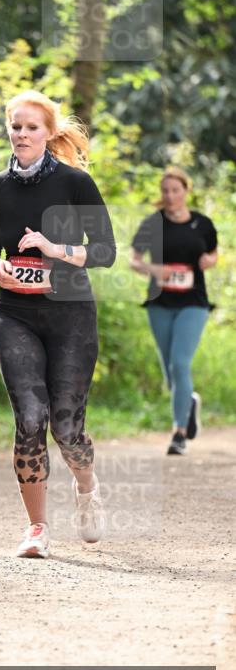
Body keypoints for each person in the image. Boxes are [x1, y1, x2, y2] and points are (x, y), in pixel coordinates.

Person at [0, 90, 116, 559]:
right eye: (15, 126)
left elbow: (105, 252)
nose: (20, 134)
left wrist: (55, 250)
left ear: (48, 133)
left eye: (30, 127)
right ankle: (37, 527)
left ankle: (86, 487)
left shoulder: (76, 184)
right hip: (14, 312)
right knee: (30, 419)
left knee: (67, 427)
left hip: (71, 315)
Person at [130, 166, 217, 455]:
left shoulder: (202, 224)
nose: (170, 196)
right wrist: (156, 269)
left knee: (180, 364)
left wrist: (209, 260)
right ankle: (188, 400)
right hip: (160, 303)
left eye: (175, 190)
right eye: (165, 191)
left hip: (194, 302)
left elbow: (213, 253)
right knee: (170, 373)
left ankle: (179, 433)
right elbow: (134, 260)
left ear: (185, 191)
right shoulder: (152, 223)